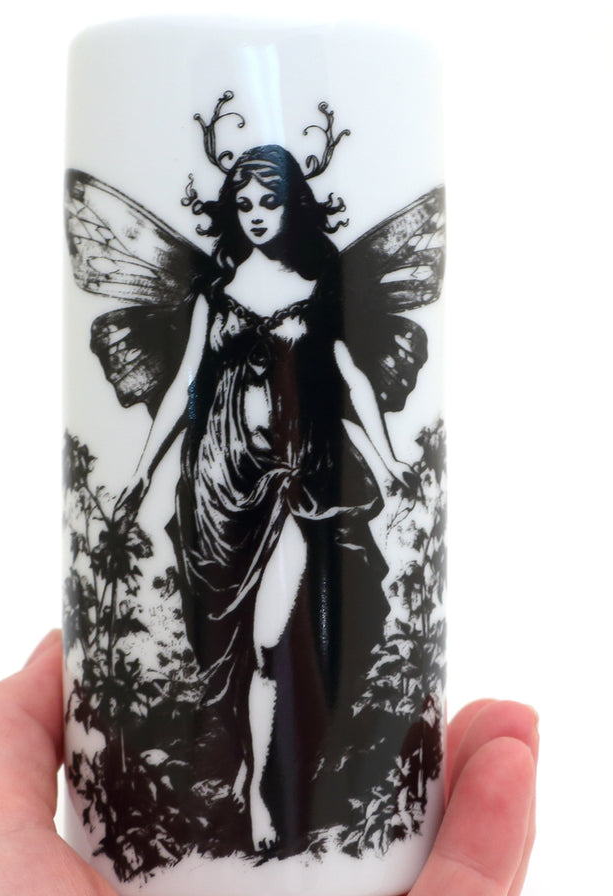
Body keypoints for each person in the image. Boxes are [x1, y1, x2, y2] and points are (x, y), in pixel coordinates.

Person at [132, 143, 419, 851]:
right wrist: (141, 469)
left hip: (297, 475)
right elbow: (184, 386)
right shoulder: (213, 293)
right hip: (221, 484)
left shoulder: (319, 289)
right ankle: (243, 780)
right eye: (244, 203)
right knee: (227, 645)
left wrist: (388, 459)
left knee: (271, 639)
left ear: (294, 206)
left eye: (270, 201)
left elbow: (351, 379)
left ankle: (268, 797)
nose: (256, 215)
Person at [0, 630, 539, 896]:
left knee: (280, 654)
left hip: (292, 503)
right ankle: (255, 786)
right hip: (224, 503)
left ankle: (274, 792)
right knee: (243, 663)